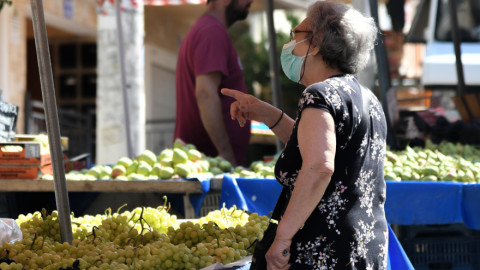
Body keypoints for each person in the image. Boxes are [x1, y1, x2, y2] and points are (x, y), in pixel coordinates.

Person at [222, 1, 388, 269]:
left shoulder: (319, 94)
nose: (290, 44)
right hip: (364, 245)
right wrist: (269, 115)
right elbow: (321, 148)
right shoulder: (367, 98)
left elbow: (319, 166)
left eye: (295, 35)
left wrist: (283, 237)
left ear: (317, 42)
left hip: (326, 249)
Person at [174, 0, 254, 166]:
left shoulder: (209, 29)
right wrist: (225, 153)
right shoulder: (211, 32)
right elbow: (205, 94)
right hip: (210, 168)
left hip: (210, 165)